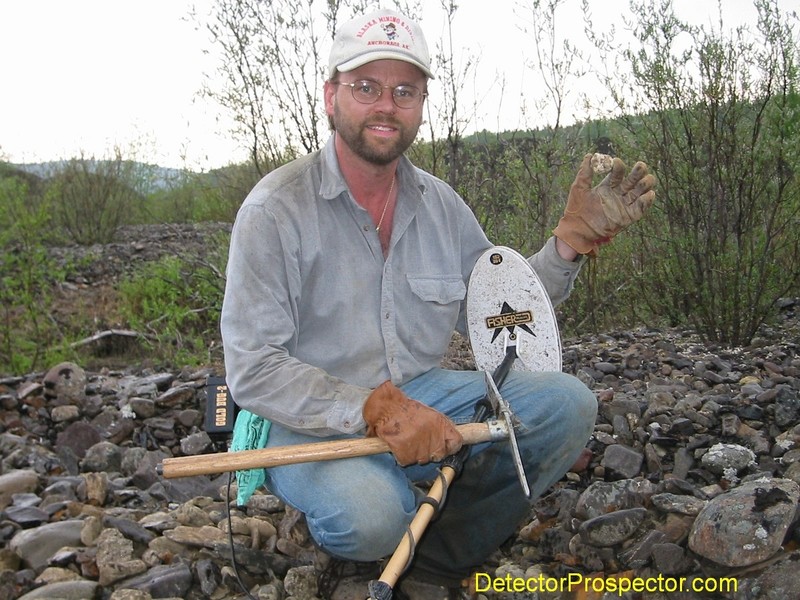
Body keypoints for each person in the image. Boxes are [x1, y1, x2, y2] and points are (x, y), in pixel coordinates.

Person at [220, 8, 655, 598]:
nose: (385, 105)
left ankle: (439, 556)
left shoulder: (442, 206)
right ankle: (373, 510)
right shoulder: (274, 211)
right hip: (310, 420)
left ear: (421, 103)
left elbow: (504, 316)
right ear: (330, 96)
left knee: (567, 406)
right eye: (365, 87)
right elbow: (253, 370)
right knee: (371, 518)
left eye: (404, 90)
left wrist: (570, 243)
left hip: (424, 395)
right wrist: (371, 409)